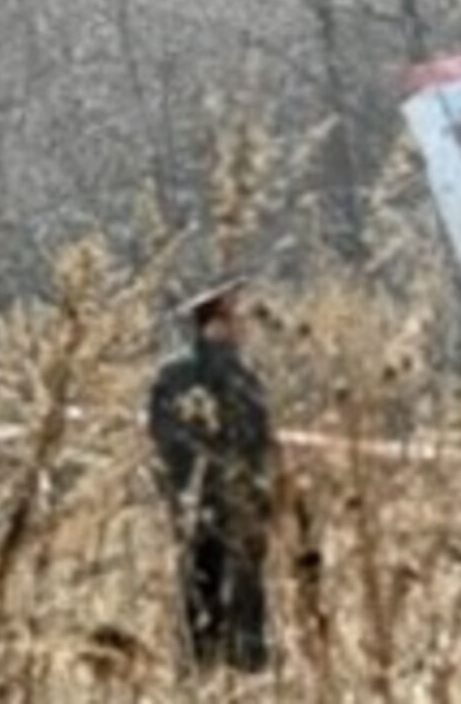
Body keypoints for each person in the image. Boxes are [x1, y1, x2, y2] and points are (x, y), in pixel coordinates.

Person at [147, 277, 275, 674]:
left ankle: (197, 671)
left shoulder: (170, 374)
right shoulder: (241, 376)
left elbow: (160, 436)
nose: (242, 327)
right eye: (235, 317)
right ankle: (244, 667)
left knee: (197, 586)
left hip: (189, 502)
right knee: (243, 591)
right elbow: (257, 441)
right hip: (236, 503)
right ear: (216, 323)